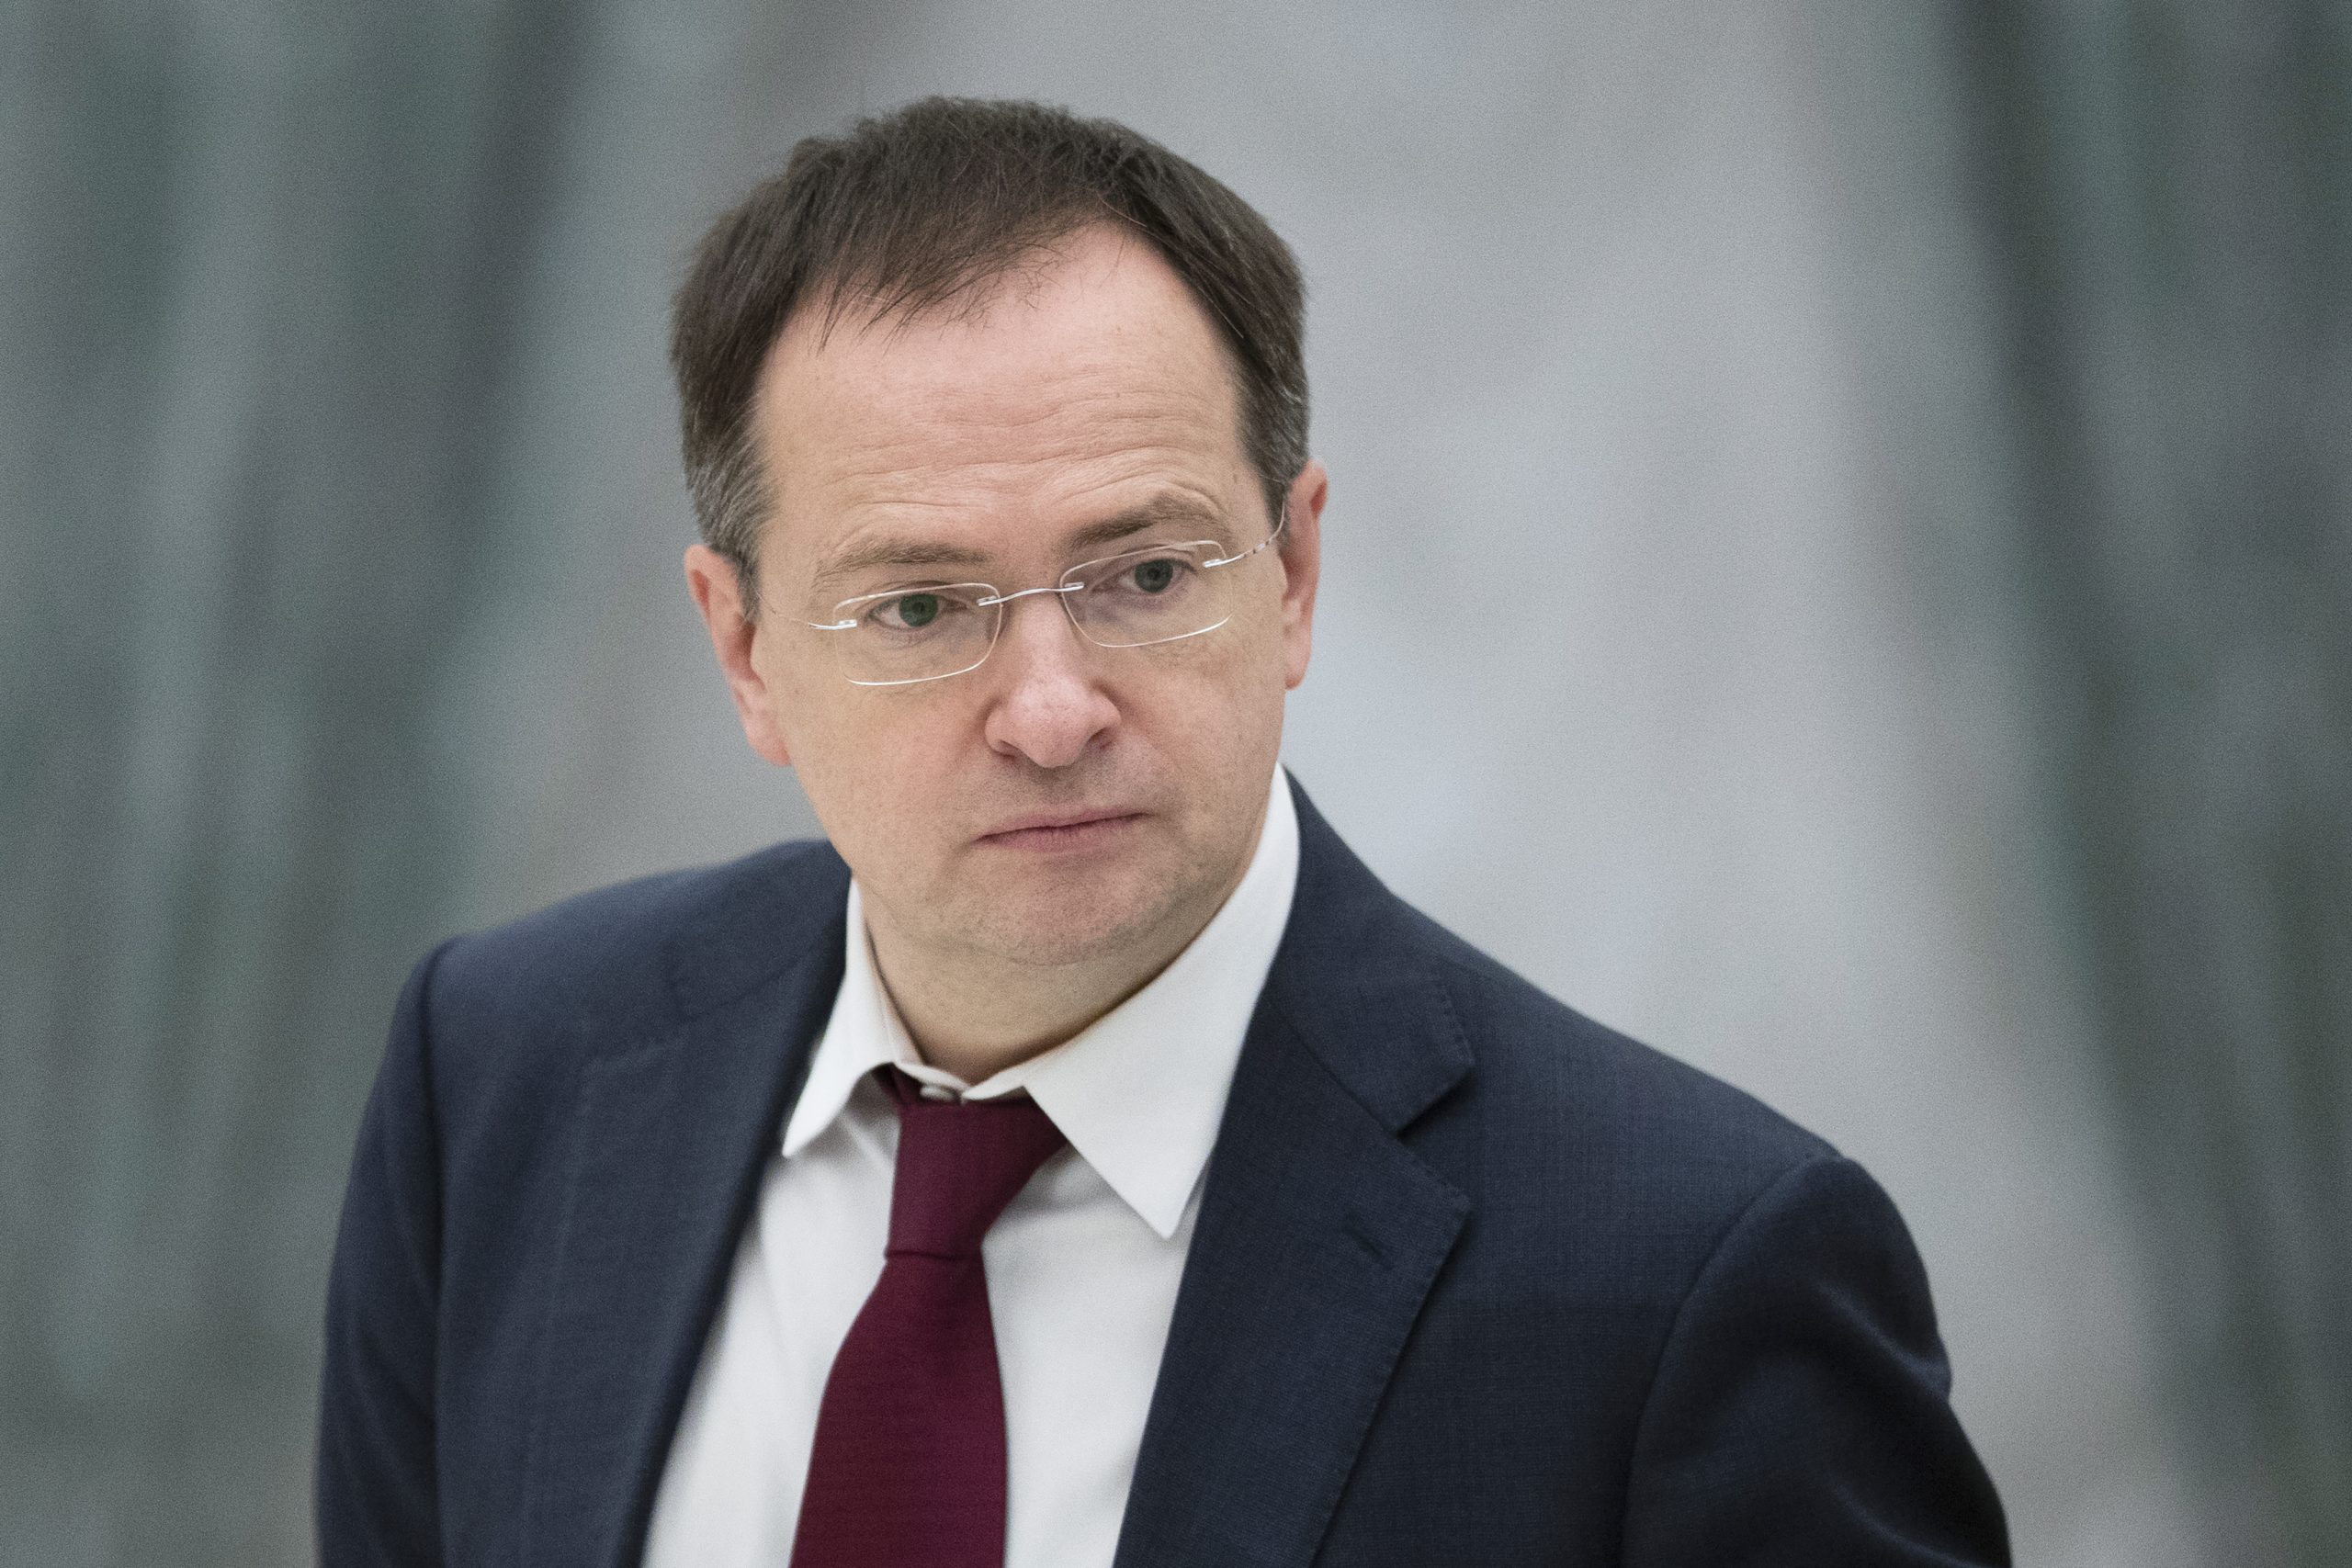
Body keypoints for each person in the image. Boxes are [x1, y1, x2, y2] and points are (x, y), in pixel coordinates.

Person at [316, 96, 2011, 1568]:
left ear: (1296, 577)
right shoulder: (506, 1079)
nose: (1052, 709)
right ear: (744, 650)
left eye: (1143, 576)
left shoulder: (1697, 1276)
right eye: (918, 605)